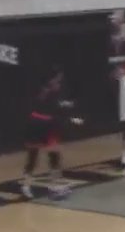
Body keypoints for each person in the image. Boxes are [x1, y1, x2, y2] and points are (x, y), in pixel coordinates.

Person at [21, 68, 83, 199]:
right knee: (35, 157)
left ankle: (53, 186)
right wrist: (71, 119)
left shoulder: (49, 92)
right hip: (40, 124)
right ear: (50, 80)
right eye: (57, 80)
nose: (59, 83)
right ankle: (27, 186)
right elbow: (56, 111)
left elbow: (58, 109)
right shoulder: (46, 94)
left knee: (53, 156)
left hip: (43, 124)